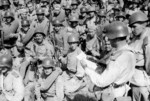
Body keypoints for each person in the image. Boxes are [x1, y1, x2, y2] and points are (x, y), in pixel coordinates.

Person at [80, 21, 136, 101]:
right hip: (122, 89)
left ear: (115, 38)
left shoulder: (119, 58)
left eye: (110, 38)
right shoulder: (129, 51)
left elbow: (102, 81)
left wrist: (86, 68)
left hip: (113, 93)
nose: (108, 40)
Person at [56, 34, 85, 101]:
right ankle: (59, 99)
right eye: (70, 43)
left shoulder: (79, 53)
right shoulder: (69, 51)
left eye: (74, 43)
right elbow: (66, 61)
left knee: (66, 88)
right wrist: (61, 59)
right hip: (68, 73)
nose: (72, 45)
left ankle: (81, 86)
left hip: (76, 76)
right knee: (58, 80)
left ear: (77, 43)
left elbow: (81, 71)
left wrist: (76, 77)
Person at [129, 11, 150, 101]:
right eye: (131, 27)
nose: (132, 30)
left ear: (143, 25)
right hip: (133, 78)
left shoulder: (147, 40)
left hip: (143, 81)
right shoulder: (135, 38)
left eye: (134, 27)